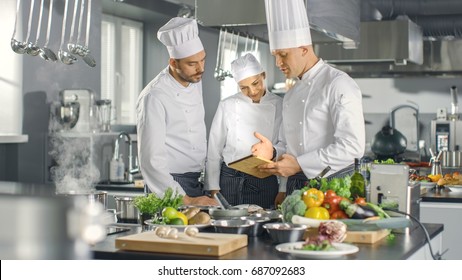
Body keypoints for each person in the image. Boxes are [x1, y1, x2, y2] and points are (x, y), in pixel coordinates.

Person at [252, 0, 366, 206]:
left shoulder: (339, 84)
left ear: (304, 49)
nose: (278, 63)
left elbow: (352, 146)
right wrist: (273, 155)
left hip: (334, 187)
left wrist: (299, 165)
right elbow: (288, 146)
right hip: (297, 189)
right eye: (275, 55)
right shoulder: (291, 95)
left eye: (283, 55)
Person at [136, 17, 216, 206]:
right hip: (169, 185)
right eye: (192, 63)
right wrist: (186, 200)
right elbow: (151, 161)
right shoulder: (154, 96)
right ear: (173, 62)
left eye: (203, 59)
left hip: (196, 179)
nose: (201, 68)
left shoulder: (194, 78)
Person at [205, 53, 283, 209]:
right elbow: (214, 149)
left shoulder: (280, 104)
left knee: (263, 225)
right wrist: (214, 188)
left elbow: (285, 146)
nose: (252, 91)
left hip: (265, 178)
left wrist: (283, 189)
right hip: (229, 179)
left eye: (256, 83)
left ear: (264, 75)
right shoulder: (227, 105)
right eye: (244, 88)